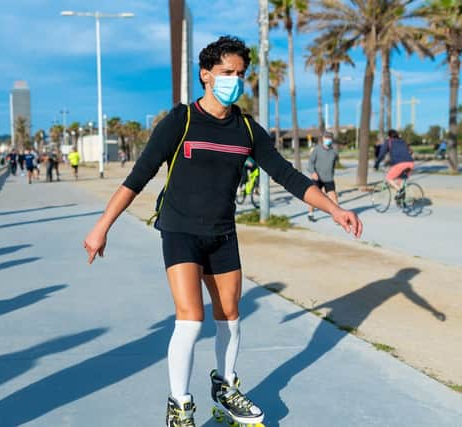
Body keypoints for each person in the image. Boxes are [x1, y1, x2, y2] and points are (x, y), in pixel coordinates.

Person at [83, 36, 363, 427]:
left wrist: (334, 208)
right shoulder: (180, 121)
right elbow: (138, 176)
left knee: (230, 316)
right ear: (206, 75)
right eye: (227, 72)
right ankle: (179, 405)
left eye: (241, 74)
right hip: (180, 230)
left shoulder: (247, 129)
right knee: (190, 318)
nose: (235, 80)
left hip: (222, 234)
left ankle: (226, 388)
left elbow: (288, 175)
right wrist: (102, 226)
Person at [306, 131, 339, 222]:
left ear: (332, 139)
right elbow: (310, 163)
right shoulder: (317, 149)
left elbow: (334, 162)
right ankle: (310, 213)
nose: (328, 139)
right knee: (313, 197)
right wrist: (313, 172)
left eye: (329, 137)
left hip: (329, 178)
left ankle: (337, 216)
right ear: (323, 139)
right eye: (326, 137)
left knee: (333, 197)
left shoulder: (334, 151)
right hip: (317, 177)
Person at [375, 129, 415, 195]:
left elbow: (382, 154)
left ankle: (400, 191)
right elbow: (411, 151)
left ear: (389, 136)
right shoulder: (402, 141)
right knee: (400, 181)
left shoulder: (389, 141)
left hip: (400, 164)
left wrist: (376, 164)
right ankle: (402, 200)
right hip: (410, 163)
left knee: (388, 178)